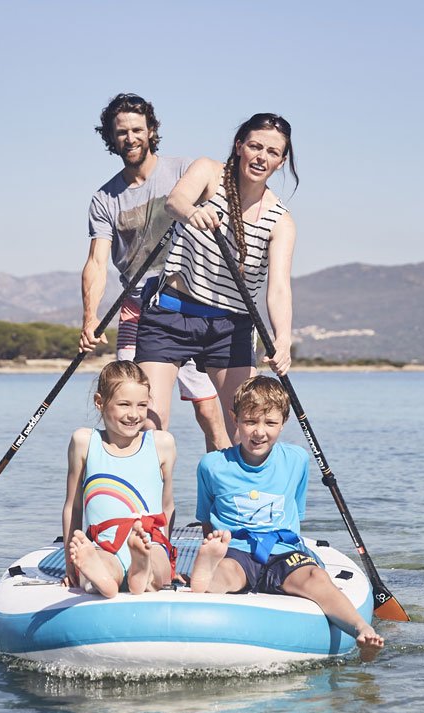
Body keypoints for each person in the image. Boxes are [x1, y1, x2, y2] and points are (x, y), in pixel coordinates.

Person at [190, 376, 384, 661]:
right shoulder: (213, 464)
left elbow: (296, 514)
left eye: (270, 423)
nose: (259, 432)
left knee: (316, 577)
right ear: (235, 419)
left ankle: (361, 628)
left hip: (284, 553)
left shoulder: (296, 459)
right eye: (250, 422)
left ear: (283, 422)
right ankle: (204, 579)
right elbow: (206, 518)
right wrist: (215, 546)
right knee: (225, 573)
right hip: (236, 551)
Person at [80, 92, 230, 452]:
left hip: (193, 303)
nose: (130, 138)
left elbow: (232, 203)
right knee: (140, 416)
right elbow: (97, 262)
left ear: (151, 131)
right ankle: (146, 504)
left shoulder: (183, 171)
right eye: (121, 132)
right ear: (110, 137)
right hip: (137, 307)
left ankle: (226, 496)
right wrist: (89, 317)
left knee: (209, 412)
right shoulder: (105, 199)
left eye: (136, 129)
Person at [134, 112, 297, 442]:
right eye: (255, 146)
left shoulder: (281, 221)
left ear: (281, 162)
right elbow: (176, 201)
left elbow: (278, 287)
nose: (261, 157)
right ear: (239, 147)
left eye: (272, 152)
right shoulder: (209, 173)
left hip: (230, 326)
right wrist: (194, 211)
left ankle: (233, 492)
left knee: (246, 429)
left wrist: (283, 339)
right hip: (170, 314)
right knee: (149, 423)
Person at [63, 360, 177, 598]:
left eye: (142, 405)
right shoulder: (85, 441)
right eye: (124, 404)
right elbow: (73, 505)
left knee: (158, 569)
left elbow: (167, 506)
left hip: (149, 541)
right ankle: (104, 577)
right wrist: (70, 563)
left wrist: (167, 556)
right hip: (104, 545)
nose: (134, 415)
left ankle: (142, 569)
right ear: (100, 402)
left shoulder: (161, 443)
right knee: (101, 568)